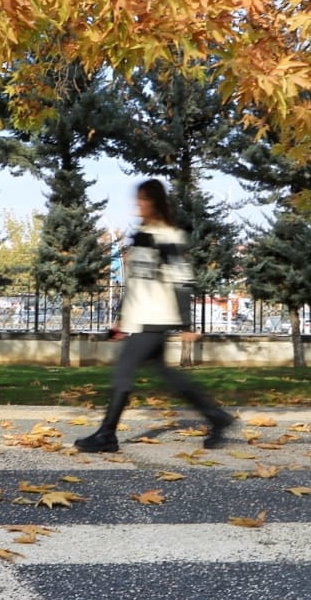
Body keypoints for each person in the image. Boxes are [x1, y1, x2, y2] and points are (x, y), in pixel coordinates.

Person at [75, 179, 236, 453]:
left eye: (143, 200)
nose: (138, 204)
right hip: (140, 316)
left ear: (156, 202)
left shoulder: (167, 237)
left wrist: (187, 324)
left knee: (123, 371)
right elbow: (135, 280)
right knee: (167, 375)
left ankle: (107, 435)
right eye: (137, 199)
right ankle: (216, 417)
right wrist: (120, 318)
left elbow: (181, 280)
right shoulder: (141, 234)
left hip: (155, 316)